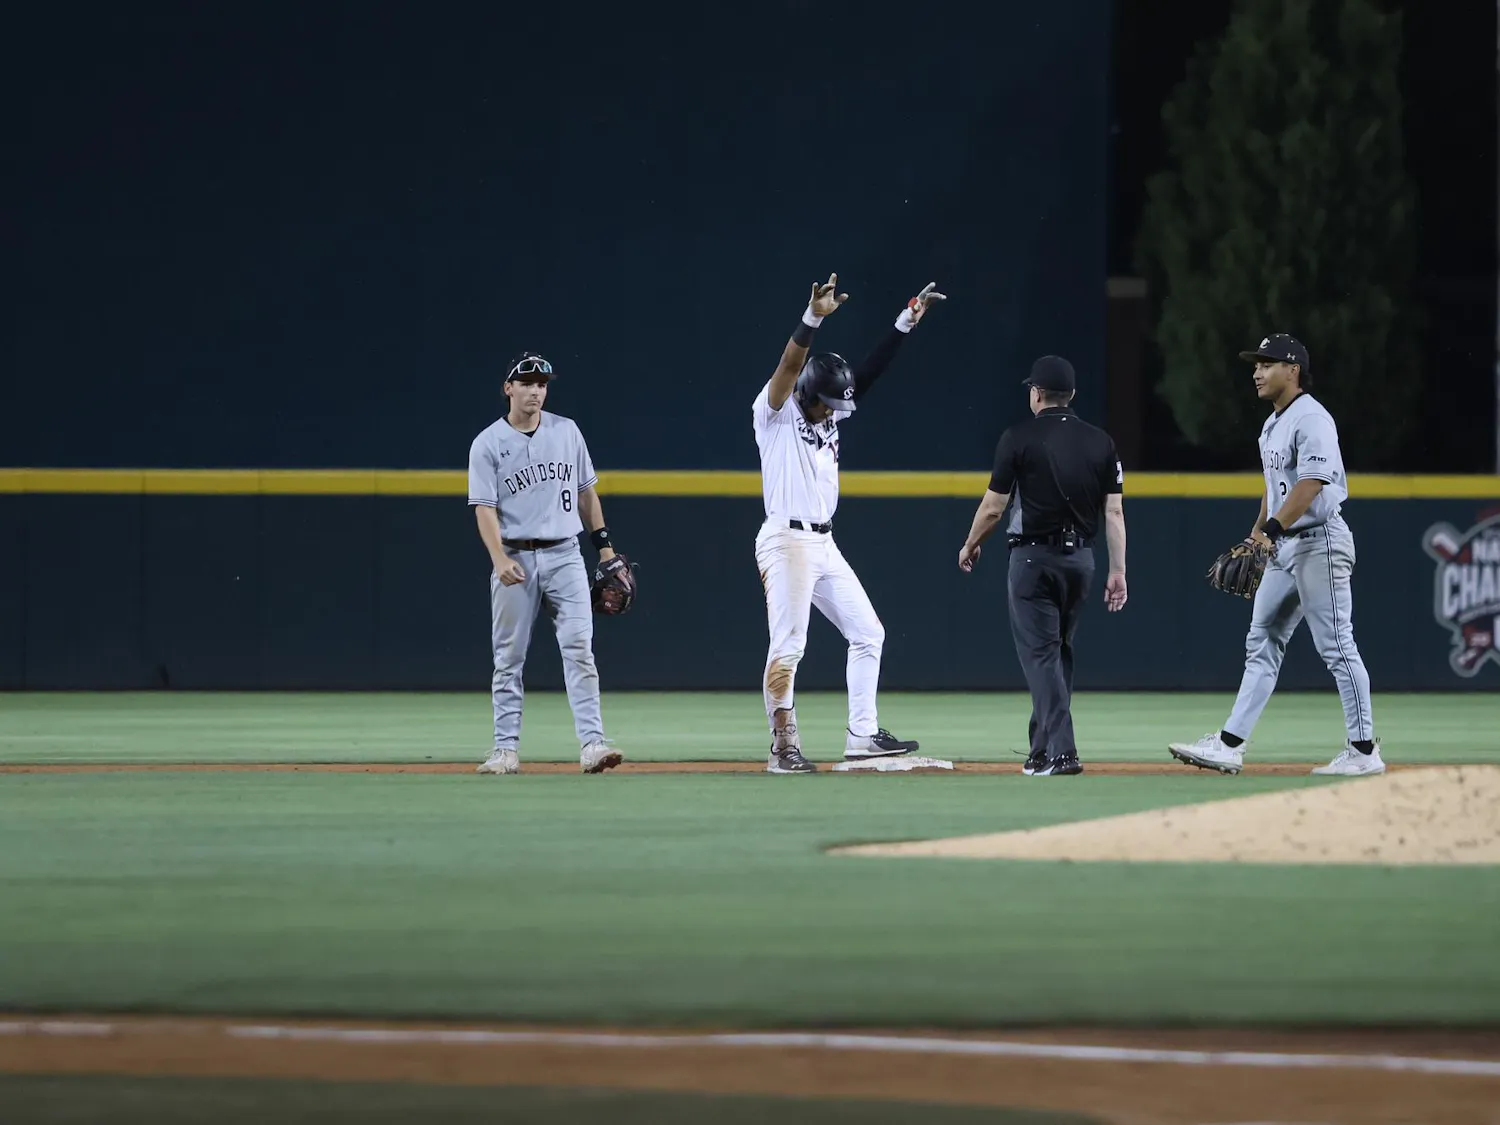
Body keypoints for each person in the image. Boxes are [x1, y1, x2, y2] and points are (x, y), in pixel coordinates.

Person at [752, 274, 944, 773]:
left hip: (823, 541)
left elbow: (868, 375)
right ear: (808, 393)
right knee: (790, 646)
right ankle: (783, 745)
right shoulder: (774, 413)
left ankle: (862, 736)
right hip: (786, 540)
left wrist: (906, 321)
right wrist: (812, 317)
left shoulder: (827, 412)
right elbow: (789, 364)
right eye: (827, 403)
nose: (834, 413)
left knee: (868, 633)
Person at [1169, 334, 1383, 777]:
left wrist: (1270, 532)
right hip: (1286, 546)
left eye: (1267, 364)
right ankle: (1230, 744)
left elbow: (1311, 484)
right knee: (1261, 642)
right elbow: (1274, 488)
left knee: (1337, 645)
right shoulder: (1272, 424)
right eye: (1256, 365)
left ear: (1293, 370)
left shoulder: (1312, 418)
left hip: (1320, 540)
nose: (1257, 372)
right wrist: (1257, 536)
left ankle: (1363, 751)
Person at [957, 356, 1128, 777]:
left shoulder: (1018, 437)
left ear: (1036, 394)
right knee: (1056, 654)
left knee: (1042, 655)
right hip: (1081, 562)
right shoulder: (1101, 442)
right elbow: (1115, 514)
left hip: (1033, 559)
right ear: (1071, 395)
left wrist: (970, 543)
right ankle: (1039, 750)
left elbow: (994, 507)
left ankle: (1063, 752)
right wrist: (1117, 570)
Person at [466, 352, 624, 776]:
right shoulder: (487, 443)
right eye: (527, 382)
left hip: (565, 553)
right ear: (508, 388)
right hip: (515, 556)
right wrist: (498, 557)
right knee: (509, 657)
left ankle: (593, 744)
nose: (536, 390)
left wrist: (605, 548)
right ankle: (505, 749)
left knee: (579, 649)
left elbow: (587, 493)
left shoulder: (566, 431)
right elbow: (484, 509)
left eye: (542, 383)